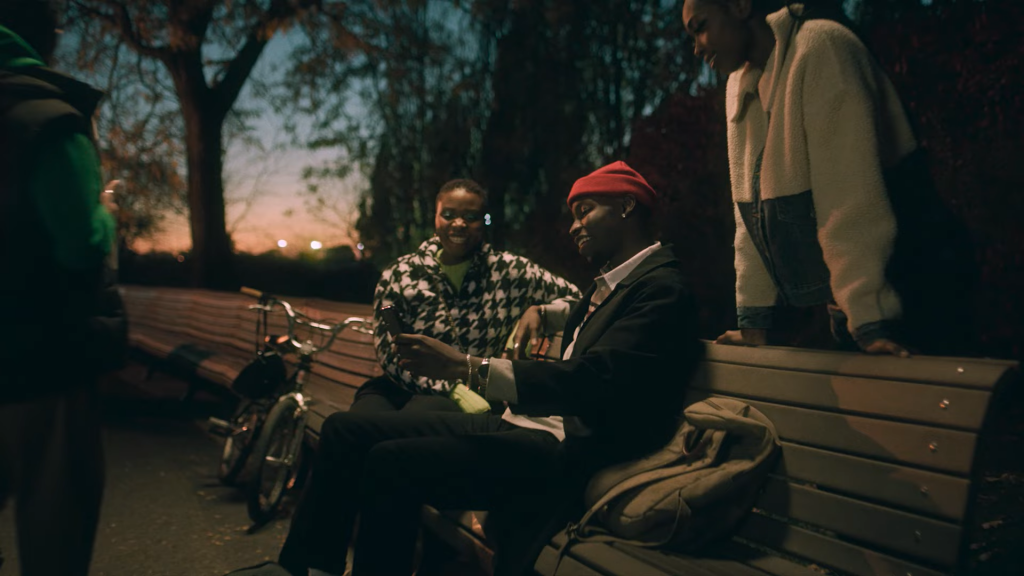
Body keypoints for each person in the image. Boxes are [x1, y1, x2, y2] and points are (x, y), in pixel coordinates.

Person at [262, 161, 702, 576]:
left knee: (389, 463)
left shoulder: (661, 290)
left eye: (583, 211)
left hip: (560, 446)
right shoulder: (614, 286)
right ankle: (305, 566)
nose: (572, 226)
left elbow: (595, 380)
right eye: (448, 214)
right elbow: (593, 328)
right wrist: (546, 314)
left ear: (626, 206)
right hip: (522, 421)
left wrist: (471, 370)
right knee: (345, 430)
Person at [683, 0, 947, 356]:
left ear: (740, 6)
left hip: (911, 284)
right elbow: (749, 217)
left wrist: (870, 320)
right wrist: (754, 322)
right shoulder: (740, 86)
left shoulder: (822, 46)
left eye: (700, 26)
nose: (696, 46)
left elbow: (852, 198)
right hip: (853, 303)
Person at [0, 1, 117, 574]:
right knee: (54, 535)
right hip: (34, 363)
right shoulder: (46, 118)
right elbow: (80, 245)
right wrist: (104, 211)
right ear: (48, 36)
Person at [354, 177, 581, 413]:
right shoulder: (400, 274)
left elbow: (579, 301)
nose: (459, 224)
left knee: (409, 422)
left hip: (468, 389)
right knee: (346, 425)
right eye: (448, 215)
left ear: (483, 222)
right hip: (398, 385)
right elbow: (387, 351)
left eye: (470, 217)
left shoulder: (510, 271)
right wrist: (452, 390)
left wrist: (542, 312)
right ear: (435, 218)